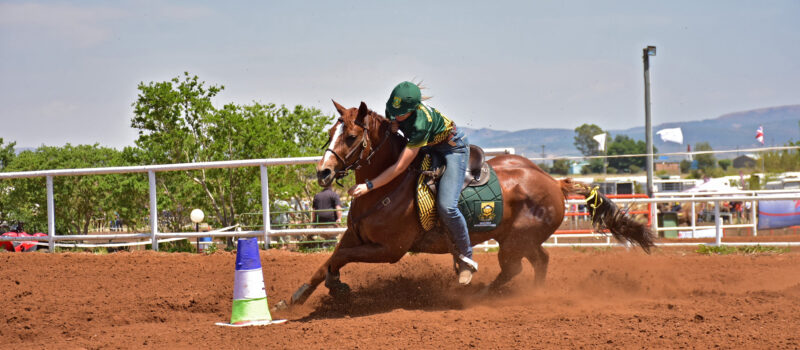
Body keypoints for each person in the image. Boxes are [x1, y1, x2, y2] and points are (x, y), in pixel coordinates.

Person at [348, 81, 478, 285]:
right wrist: (395, 124)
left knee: (447, 207)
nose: (396, 115)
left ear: (415, 109)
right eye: (394, 111)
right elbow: (394, 123)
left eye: (402, 113)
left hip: (452, 149)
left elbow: (399, 167)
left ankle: (466, 259)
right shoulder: (393, 108)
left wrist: (369, 185)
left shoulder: (421, 124)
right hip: (428, 147)